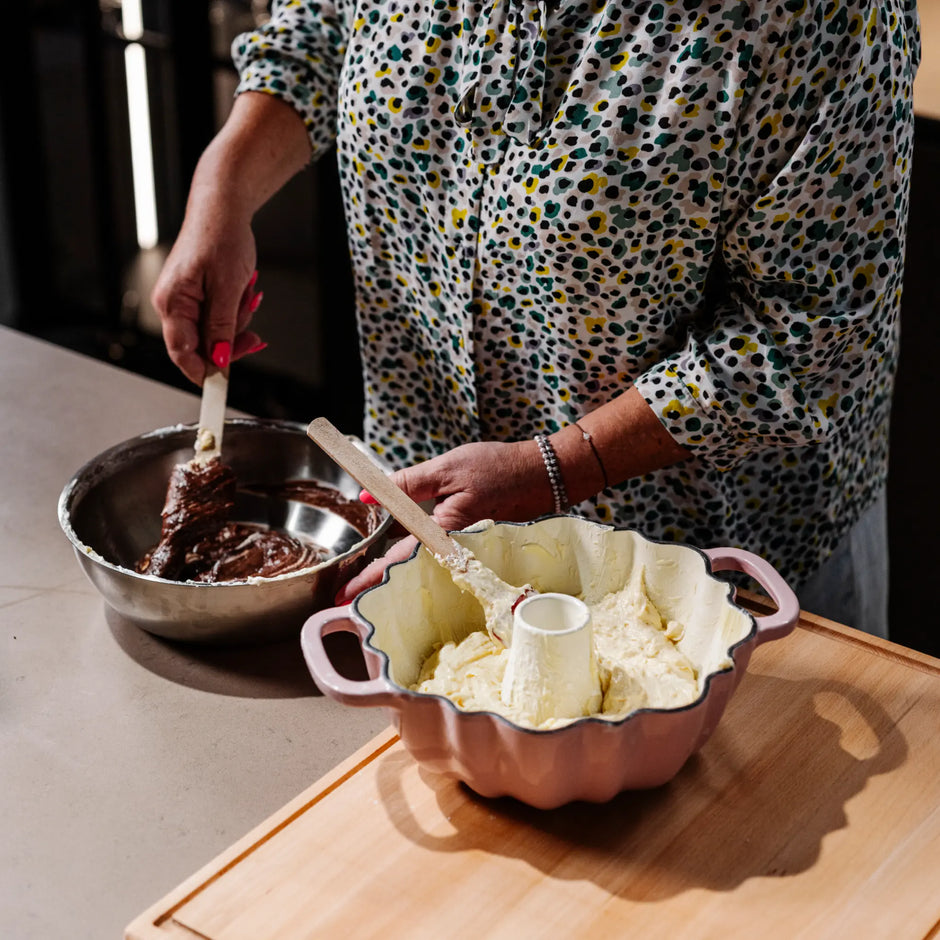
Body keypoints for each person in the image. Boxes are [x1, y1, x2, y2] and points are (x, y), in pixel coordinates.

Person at [152, 0, 920, 638]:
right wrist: (224, 184)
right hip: (431, 522)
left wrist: (558, 467)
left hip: (710, 566)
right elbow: (318, 30)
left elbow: (811, 331)